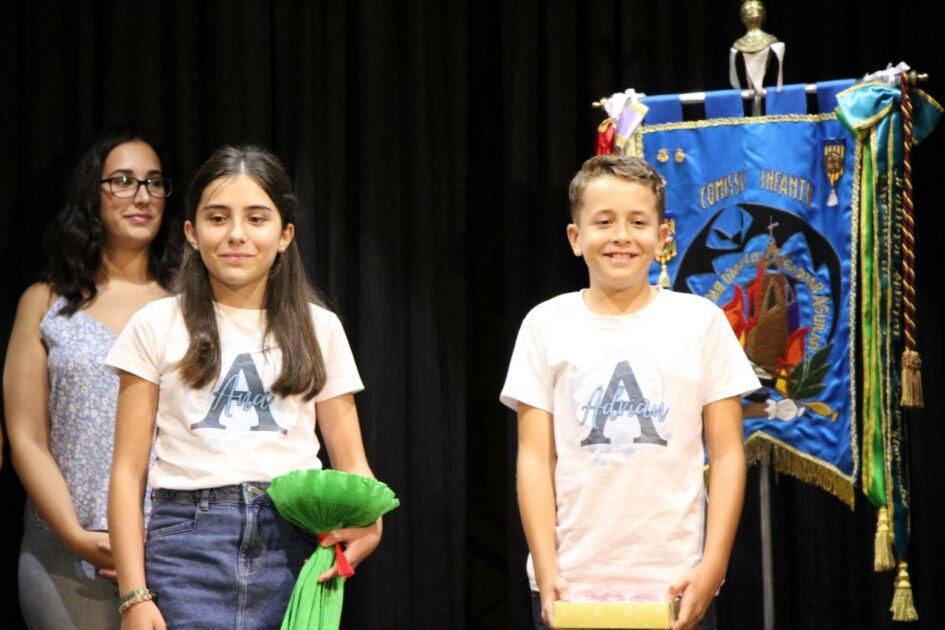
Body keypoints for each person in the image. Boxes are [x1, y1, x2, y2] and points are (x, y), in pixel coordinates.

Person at [105, 145, 381, 629]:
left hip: (294, 546)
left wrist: (369, 516)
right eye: (217, 218)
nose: (236, 235)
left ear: (284, 235)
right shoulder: (156, 325)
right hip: (185, 550)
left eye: (257, 218)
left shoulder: (321, 329)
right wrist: (134, 596)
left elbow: (351, 460)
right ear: (191, 232)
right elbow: (128, 473)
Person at [500, 155, 760, 630]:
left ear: (663, 238)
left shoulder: (701, 322)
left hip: (676, 585)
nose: (621, 235)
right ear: (576, 239)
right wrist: (546, 567)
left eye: (638, 222)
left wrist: (713, 566)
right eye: (604, 222)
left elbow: (726, 455)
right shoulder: (545, 324)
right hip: (571, 587)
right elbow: (536, 458)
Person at [4, 127, 179, 629]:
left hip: (170, 550)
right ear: (91, 194)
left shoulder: (190, 305)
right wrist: (76, 535)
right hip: (64, 552)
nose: (141, 196)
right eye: (122, 181)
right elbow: (26, 436)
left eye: (154, 182)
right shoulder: (46, 302)